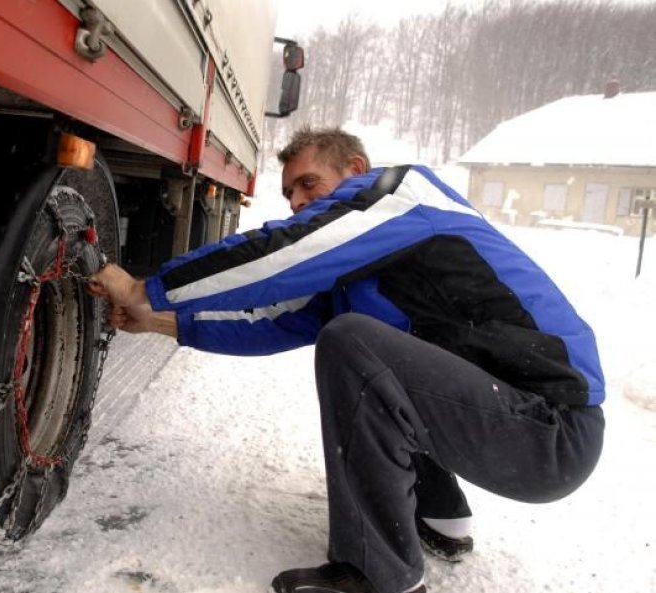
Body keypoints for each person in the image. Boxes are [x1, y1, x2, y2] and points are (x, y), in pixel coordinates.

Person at [87, 127, 605, 593]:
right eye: (289, 192)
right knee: (380, 352)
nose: (296, 202)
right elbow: (272, 321)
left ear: (355, 170)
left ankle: (378, 577)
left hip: (551, 429)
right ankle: (444, 519)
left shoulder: (402, 197)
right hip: (515, 428)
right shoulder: (364, 271)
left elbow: (282, 253)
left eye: (309, 184)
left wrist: (147, 288)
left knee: (352, 342)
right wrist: (159, 321)